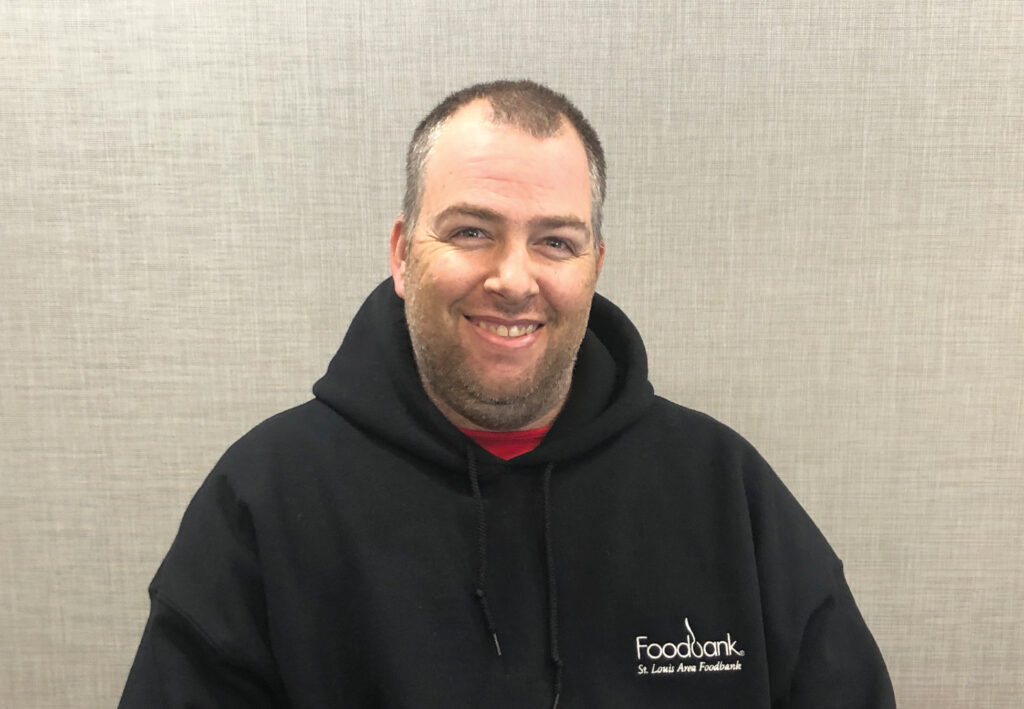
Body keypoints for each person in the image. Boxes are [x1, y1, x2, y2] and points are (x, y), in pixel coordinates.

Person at [119, 80, 895, 708]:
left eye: (555, 241)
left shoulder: (724, 492)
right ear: (402, 253)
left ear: (594, 265)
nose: (514, 279)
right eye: (471, 231)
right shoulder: (263, 499)